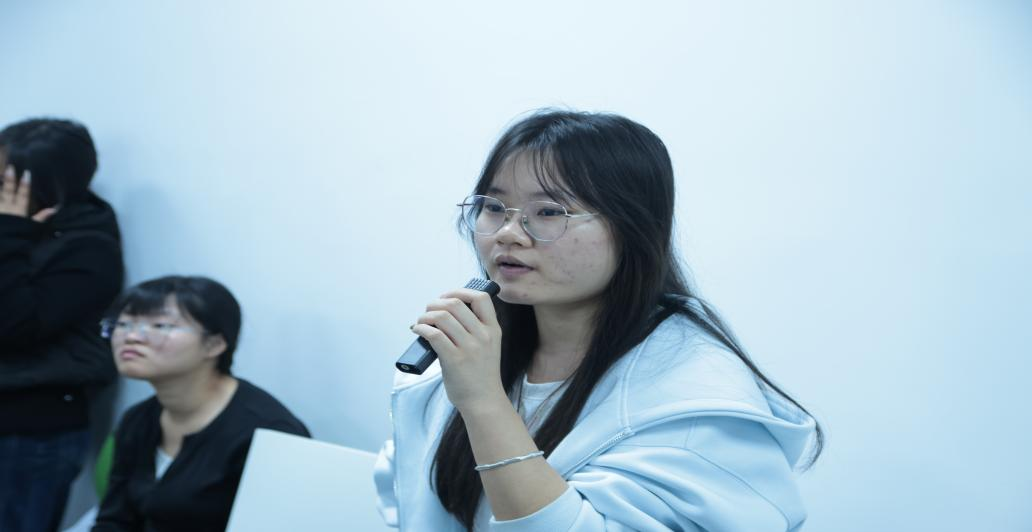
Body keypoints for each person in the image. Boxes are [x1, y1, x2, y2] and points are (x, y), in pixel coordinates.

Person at [374, 110, 824, 531]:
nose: (508, 233)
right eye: (494, 207)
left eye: (548, 212)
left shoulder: (697, 400)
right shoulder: (469, 355)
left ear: (632, 229)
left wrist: (484, 403)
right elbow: (409, 498)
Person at [91, 276, 310, 532]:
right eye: (124, 324)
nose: (131, 337)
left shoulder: (269, 434)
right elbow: (115, 521)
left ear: (214, 344)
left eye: (160, 326)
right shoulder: (138, 419)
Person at [0, 118, 124, 532]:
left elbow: (13, 325)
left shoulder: (90, 246)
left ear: (41, 186)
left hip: (31, 430)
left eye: (3, 180)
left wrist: (9, 232)